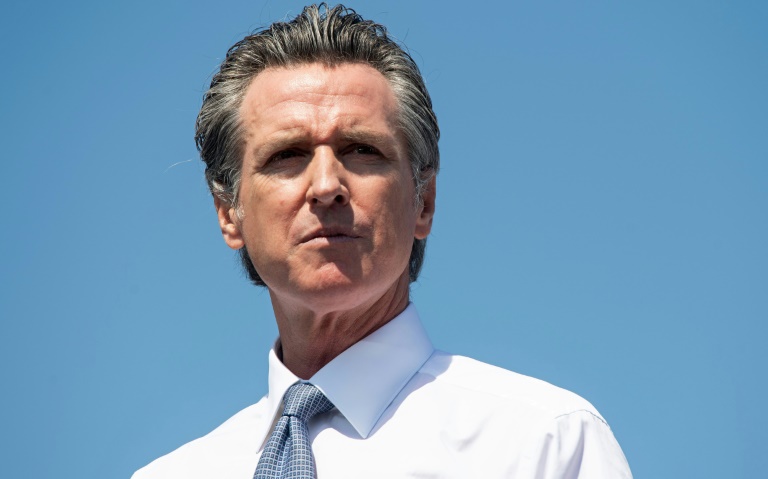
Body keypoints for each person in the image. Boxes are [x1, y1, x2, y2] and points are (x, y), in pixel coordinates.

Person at [133, 4, 632, 478]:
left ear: (424, 201)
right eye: (287, 155)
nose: (326, 185)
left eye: (361, 150)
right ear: (228, 213)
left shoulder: (541, 443)